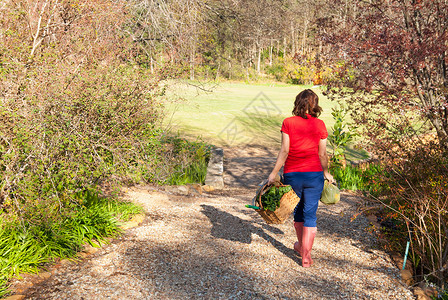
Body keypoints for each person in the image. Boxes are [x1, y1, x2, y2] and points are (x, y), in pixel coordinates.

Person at [267, 89, 335, 268]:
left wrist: (274, 173)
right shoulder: (320, 124)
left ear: (298, 103)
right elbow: (322, 154)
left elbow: (285, 151)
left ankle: (301, 247)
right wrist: (326, 172)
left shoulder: (288, 122)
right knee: (310, 214)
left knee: (297, 211)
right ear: (315, 104)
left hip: (293, 175)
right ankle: (306, 254)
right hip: (314, 176)